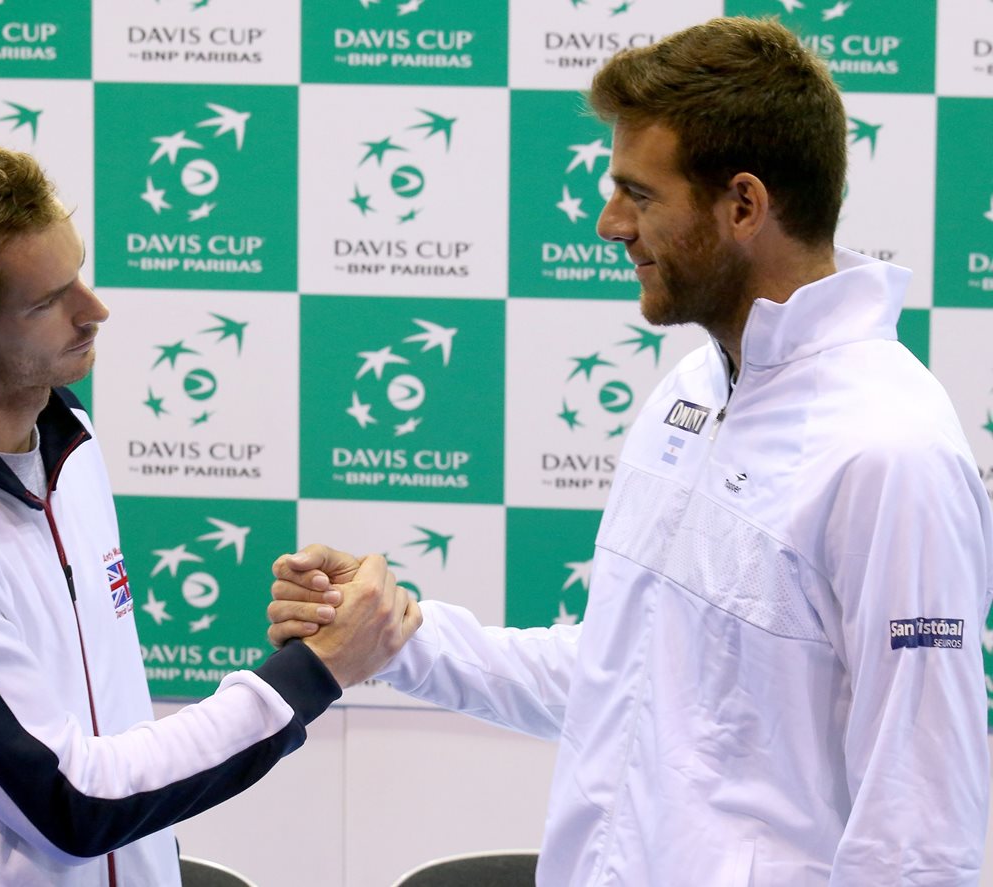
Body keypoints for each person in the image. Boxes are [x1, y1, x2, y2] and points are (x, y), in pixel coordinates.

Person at [270, 17, 993, 886]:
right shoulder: (693, 388)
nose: (611, 223)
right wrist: (397, 636)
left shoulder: (891, 451)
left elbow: (920, 827)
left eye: (639, 194)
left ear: (743, 206)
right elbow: (626, 671)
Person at [0, 138, 420, 886]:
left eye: (79, 274)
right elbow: (74, 800)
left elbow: (106, 727)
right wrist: (314, 672)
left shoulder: (67, 433)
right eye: (46, 301)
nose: (94, 309)